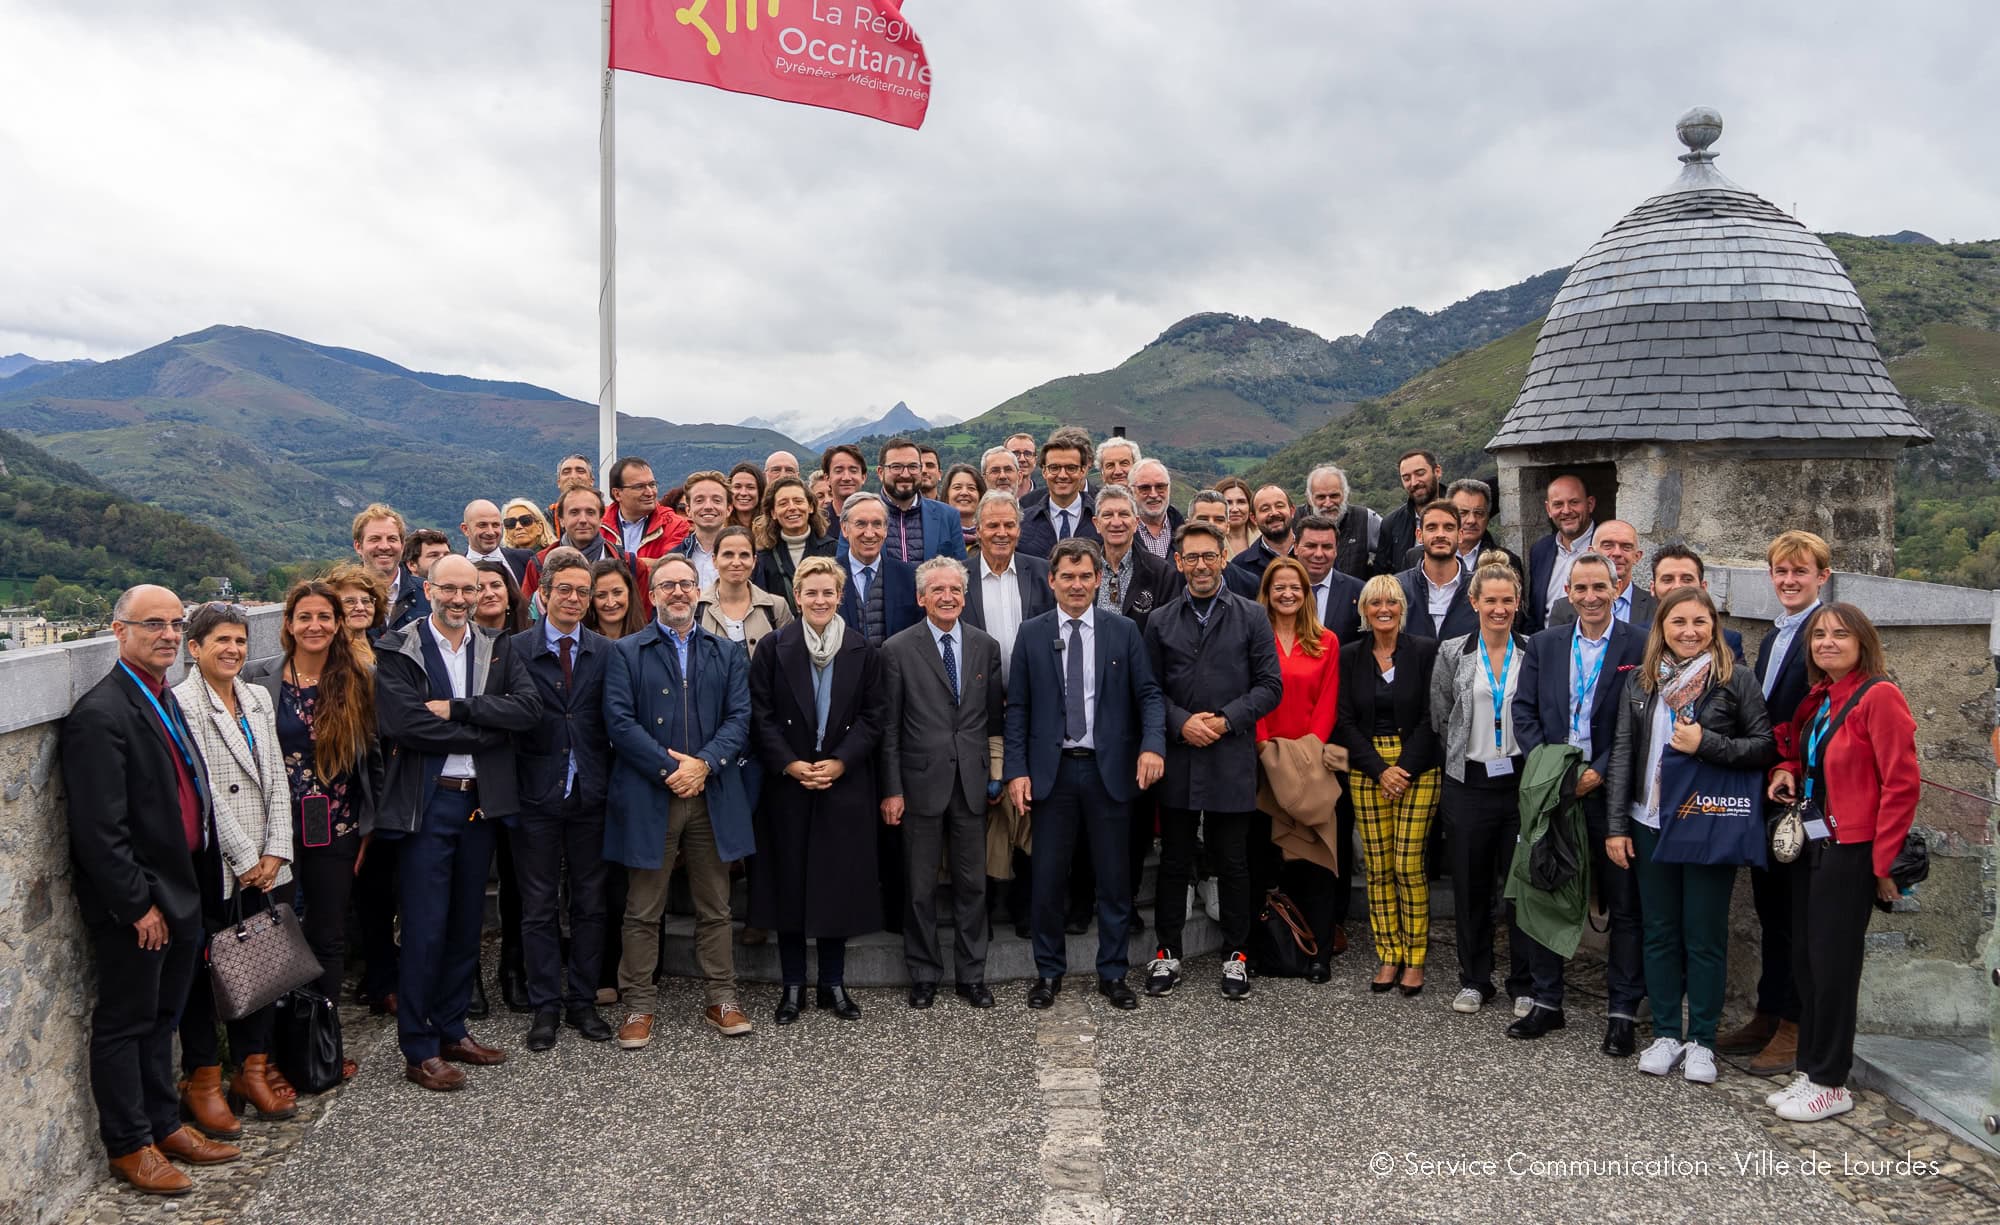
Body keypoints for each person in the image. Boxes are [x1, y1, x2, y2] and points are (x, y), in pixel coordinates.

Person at [65, 584, 242, 1193]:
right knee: (126, 1022)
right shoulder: (101, 714)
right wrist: (137, 904)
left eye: (175, 623)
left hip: (183, 889)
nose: (168, 634)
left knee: (162, 1018)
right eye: (153, 625)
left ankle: (165, 1123)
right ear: (119, 632)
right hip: (141, 903)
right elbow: (99, 829)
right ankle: (128, 1145)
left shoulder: (162, 698)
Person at [373, 555, 542, 1091]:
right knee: (425, 928)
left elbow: (528, 711)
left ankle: (452, 1028)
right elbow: (406, 723)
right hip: (429, 803)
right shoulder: (399, 648)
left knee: (467, 923)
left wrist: (463, 710)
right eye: (449, 589)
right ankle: (418, 1047)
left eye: (469, 590)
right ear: (428, 588)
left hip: (480, 804)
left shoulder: (498, 646)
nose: (459, 599)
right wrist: (488, 731)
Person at [1605, 586, 1775, 1085]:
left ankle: (1701, 1038)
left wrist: (1708, 743)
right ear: (1662, 627)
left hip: (1705, 820)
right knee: (1659, 931)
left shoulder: (1734, 679)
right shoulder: (1641, 682)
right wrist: (1616, 826)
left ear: (1713, 626)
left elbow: (1764, 747)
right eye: (1678, 622)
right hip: (1649, 819)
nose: (1689, 632)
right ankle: (1664, 1032)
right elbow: (1621, 754)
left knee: (1703, 935)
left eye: (1699, 622)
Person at [1765, 603, 1917, 1122]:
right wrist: (1787, 768)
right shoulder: (1822, 697)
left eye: (1839, 634)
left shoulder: (1880, 697)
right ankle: (1812, 1067)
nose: (1827, 642)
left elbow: (1902, 784)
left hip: (1851, 851)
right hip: (1814, 842)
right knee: (1806, 959)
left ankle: (1832, 1081)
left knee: (1833, 967)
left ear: (1862, 642)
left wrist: (1883, 863)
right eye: (1819, 635)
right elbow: (1809, 755)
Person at [1006, 539, 1167, 1011]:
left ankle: (1113, 973)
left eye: (1085, 576)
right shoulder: (1031, 633)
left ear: (1099, 580)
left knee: (1114, 881)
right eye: (1067, 577)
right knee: (1048, 880)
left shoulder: (1123, 632)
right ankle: (1048, 973)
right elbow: (1018, 708)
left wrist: (1153, 745)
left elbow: (1150, 696)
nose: (1076, 585)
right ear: (1052, 580)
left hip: (1109, 774)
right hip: (1051, 776)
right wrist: (1016, 770)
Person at [605, 555, 757, 1045]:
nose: (678, 592)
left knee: (715, 903)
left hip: (711, 793)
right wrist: (672, 769)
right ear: (652, 595)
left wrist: (704, 764)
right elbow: (619, 722)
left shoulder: (727, 652)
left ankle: (722, 998)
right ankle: (638, 1005)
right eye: (667, 585)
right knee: (643, 907)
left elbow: (740, 718)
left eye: (687, 584)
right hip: (653, 793)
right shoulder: (626, 652)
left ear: (700, 592)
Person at [1509, 551, 1647, 1051]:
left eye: (1600, 588)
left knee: (1624, 905)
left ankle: (1622, 1011)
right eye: (1581, 588)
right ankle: (1547, 1003)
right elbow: (1523, 712)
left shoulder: (1640, 644)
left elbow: (1641, 719)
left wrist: (1599, 771)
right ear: (1568, 593)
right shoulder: (1545, 644)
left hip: (1611, 794)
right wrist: (1551, 770)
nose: (1590, 597)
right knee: (1546, 891)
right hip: (1554, 790)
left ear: (1617, 589)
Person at [1142, 521, 1284, 999]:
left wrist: (1223, 721)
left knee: (1233, 861)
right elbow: (1149, 690)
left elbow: (1270, 686)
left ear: (1223, 557)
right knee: (1175, 860)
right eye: (1190, 558)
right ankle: (1167, 951)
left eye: (1208, 556)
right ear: (1178, 562)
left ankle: (1237, 954)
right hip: (1180, 756)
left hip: (1230, 755)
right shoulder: (1160, 620)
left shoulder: (1251, 616)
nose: (1200, 566)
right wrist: (1181, 722)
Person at [244, 581, 378, 1081]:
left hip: (338, 826)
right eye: (305, 617)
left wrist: (369, 825)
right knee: (272, 937)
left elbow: (375, 758)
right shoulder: (260, 679)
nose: (315, 626)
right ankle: (268, 1057)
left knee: (328, 937)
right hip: (274, 830)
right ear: (289, 624)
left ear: (339, 624)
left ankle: (321, 1046)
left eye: (325, 616)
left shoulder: (360, 679)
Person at [172, 603, 296, 1137]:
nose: (233, 651)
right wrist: (246, 859)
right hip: (222, 864)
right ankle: (202, 1078)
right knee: (211, 971)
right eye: (221, 640)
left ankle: (253, 1067)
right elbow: (204, 794)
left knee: (263, 968)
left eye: (241, 642)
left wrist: (277, 850)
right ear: (193, 648)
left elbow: (277, 779)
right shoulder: (183, 703)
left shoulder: (256, 696)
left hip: (268, 857)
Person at [743, 557, 881, 1023]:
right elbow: (758, 714)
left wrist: (841, 762)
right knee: (789, 886)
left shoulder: (863, 649)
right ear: (797, 597)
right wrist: (790, 763)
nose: (820, 600)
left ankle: (833, 984)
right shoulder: (772, 647)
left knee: (835, 886)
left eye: (828, 593)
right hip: (789, 783)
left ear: (840, 597)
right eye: (812, 593)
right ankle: (793, 986)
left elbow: (873, 717)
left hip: (842, 782)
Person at [1723, 529, 1835, 1076]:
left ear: (1822, 577)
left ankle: (1795, 1026)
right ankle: (1768, 1013)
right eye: (1781, 572)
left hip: (1806, 794)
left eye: (1800, 572)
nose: (1789, 581)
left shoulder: (1825, 633)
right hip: (1771, 791)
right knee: (1771, 910)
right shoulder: (1772, 637)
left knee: (1796, 915)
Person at [879, 557, 1005, 1008]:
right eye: (938, 590)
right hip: (918, 785)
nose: (947, 597)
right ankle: (925, 974)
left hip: (971, 782)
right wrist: (891, 789)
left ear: (964, 596)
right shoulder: (896, 650)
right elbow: (889, 729)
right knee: (920, 887)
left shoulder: (985, 646)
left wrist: (995, 774)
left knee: (973, 885)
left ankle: (972, 975)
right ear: (921, 597)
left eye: (955, 589)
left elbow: (992, 719)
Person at [507, 547, 615, 1051]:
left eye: (583, 592)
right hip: (536, 794)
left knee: (592, 903)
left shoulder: (605, 651)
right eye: (565, 590)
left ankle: (583, 1001)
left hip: (592, 792)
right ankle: (545, 1005)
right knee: (538, 906)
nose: (574, 599)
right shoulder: (515, 650)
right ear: (543, 594)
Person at [1429, 557, 1535, 1017]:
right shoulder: (1453, 652)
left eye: (1507, 600)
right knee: (1471, 887)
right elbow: (1441, 712)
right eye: (1490, 600)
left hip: (1518, 784)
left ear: (1518, 604)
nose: (1499, 609)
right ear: (1473, 602)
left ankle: (1524, 982)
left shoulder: (1534, 651)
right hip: (1468, 784)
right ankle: (1475, 978)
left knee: (1520, 889)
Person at [1336, 575, 1443, 996]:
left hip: (1417, 766)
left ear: (1403, 607)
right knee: (1378, 867)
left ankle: (1415, 958)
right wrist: (1380, 769)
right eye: (1375, 602)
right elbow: (1343, 720)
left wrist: (1403, 769)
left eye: (1392, 602)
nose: (1384, 608)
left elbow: (1433, 716)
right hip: (1368, 768)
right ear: (1363, 610)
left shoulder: (1426, 652)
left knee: (1407, 863)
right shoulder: (1349, 656)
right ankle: (1389, 953)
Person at [960, 490, 1054, 936]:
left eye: (1009, 525)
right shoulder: (957, 578)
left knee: (1029, 803)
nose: (1001, 533)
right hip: (974, 713)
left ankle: (1026, 905)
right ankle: (988, 903)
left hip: (1034, 709)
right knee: (985, 806)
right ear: (977, 530)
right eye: (992, 525)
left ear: (1020, 528)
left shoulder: (1040, 573)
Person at [1250, 556, 1344, 980]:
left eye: (1296, 587)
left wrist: (1306, 752)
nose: (1287, 593)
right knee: (1265, 857)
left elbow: (1327, 702)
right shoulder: (1254, 638)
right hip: (1263, 758)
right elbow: (1254, 693)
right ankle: (1271, 950)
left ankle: (1319, 952)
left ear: (1307, 594)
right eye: (1279, 587)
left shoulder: (1327, 641)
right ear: (1267, 593)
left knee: (1314, 860)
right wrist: (1267, 747)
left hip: (1310, 762)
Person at [1094, 484, 1184, 633]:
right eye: (1108, 515)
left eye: (1123, 514)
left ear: (1136, 523)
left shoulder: (1161, 572)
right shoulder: (1082, 569)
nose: (1116, 523)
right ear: (1097, 524)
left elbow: (1169, 631)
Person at [835, 492, 920, 646]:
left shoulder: (910, 577)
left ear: (886, 529)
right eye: (860, 524)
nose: (869, 533)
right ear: (844, 529)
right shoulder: (829, 576)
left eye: (877, 524)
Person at [605, 456, 692, 597]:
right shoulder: (599, 524)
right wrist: (647, 564)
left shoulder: (674, 524)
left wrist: (616, 565)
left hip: (653, 608)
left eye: (652, 484)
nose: (650, 492)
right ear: (617, 493)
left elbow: (669, 571)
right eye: (639, 487)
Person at [698, 524, 793, 653]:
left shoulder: (776, 607)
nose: (736, 563)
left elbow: (788, 657)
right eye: (728, 555)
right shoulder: (697, 608)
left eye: (744, 555)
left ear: (754, 561)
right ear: (714, 560)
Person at [752, 475, 838, 614]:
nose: (792, 508)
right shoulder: (763, 558)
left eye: (798, 501)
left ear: (810, 507)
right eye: (783, 503)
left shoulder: (833, 549)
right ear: (773, 513)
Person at [874, 437, 967, 565]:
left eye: (913, 467)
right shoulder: (859, 514)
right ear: (880, 472)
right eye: (896, 467)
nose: (905, 474)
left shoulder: (948, 516)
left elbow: (962, 573)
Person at [1524, 474, 1598, 634]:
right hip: (1549, 649)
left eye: (1574, 502)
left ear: (1590, 504)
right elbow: (1535, 614)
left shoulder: (1607, 545)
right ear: (1548, 510)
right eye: (1558, 504)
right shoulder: (1539, 551)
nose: (1566, 510)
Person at [1548, 520, 1655, 628]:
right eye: (1608, 545)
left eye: (1626, 547)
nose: (1617, 553)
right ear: (1591, 552)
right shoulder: (1563, 608)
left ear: (1637, 556)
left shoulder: (1655, 606)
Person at [1649, 543, 1745, 661]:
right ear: (1653, 588)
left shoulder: (1729, 642)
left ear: (1703, 588)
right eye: (1667, 580)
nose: (1678, 586)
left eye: (1687, 579)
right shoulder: (1637, 640)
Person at [1397, 501, 1476, 641]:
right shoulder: (1397, 588)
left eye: (1448, 528)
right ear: (1419, 535)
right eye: (1432, 528)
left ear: (1460, 535)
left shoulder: (1480, 589)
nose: (1440, 534)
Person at [1017, 427, 1099, 559]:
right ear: (1044, 471)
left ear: (1083, 471)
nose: (1062, 475)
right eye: (1054, 468)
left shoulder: (1102, 519)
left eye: (1071, 468)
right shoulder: (1022, 522)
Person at [525, 486, 621, 599]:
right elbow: (528, 612)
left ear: (601, 519)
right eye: (574, 513)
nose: (583, 520)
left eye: (590, 512)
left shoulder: (625, 562)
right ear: (561, 520)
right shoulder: (539, 564)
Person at [352, 504, 426, 635]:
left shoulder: (428, 595)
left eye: (392, 539)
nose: (384, 546)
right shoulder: (340, 597)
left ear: (402, 546)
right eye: (375, 539)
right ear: (358, 546)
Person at [1291, 514, 1365, 643]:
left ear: (1336, 550)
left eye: (1327, 547)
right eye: (1311, 546)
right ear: (1296, 548)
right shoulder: (1277, 592)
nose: (1319, 554)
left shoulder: (1358, 592)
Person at [1372, 449, 1444, 576]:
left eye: (1420, 473)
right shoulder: (1391, 524)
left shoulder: (1462, 512)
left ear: (1437, 471)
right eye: (1406, 478)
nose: (1414, 482)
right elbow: (1381, 575)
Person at [1303, 464, 1377, 578]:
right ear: (1310, 498)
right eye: (1321, 497)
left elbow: (1389, 559)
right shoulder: (1295, 521)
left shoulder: (1366, 519)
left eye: (1334, 496)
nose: (1328, 504)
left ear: (1345, 494)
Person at [1222, 485, 1295, 598]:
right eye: (1265, 509)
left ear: (1292, 511)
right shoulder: (1240, 566)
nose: (1274, 513)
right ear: (1254, 518)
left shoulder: (1314, 555)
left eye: (1279, 506)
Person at [670, 470, 733, 592]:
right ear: (688, 510)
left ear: (729, 509)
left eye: (717, 500)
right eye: (699, 500)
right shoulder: (674, 557)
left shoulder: (746, 557)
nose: (708, 506)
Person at [323, 562, 387, 666]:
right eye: (350, 601)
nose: (360, 608)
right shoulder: (324, 653)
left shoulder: (386, 650)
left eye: (366, 601)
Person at [462, 499, 535, 585]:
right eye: (482, 525)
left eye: (495, 525)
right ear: (465, 529)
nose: (491, 532)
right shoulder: (457, 568)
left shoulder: (525, 559)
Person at [1130, 459, 1182, 560]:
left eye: (1160, 487)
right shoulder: (1121, 533)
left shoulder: (1184, 533)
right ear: (1132, 491)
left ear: (1169, 488)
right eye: (1145, 488)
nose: (1153, 494)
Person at [585, 558, 647, 640]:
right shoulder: (582, 641)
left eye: (617, 593)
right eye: (601, 595)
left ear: (629, 592)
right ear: (591, 599)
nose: (611, 603)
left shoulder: (649, 640)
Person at [472, 559, 531, 633]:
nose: (489, 594)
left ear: (508, 590)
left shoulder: (532, 632)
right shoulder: (457, 635)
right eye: (479, 588)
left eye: (496, 585)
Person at [820, 444, 870, 529]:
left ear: (863, 477)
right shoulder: (817, 524)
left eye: (853, 471)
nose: (846, 478)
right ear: (827, 478)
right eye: (839, 471)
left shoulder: (880, 519)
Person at [942, 462, 986, 553]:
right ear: (947, 495)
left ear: (980, 496)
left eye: (971, 488)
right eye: (957, 487)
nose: (964, 493)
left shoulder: (991, 536)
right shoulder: (936, 535)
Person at [549, 452, 596, 526]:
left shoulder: (609, 519)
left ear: (591, 481)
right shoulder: (547, 520)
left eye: (580, 471)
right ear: (559, 482)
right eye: (566, 472)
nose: (573, 476)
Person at [1213, 476, 1254, 560]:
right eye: (1228, 503)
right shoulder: (1208, 539)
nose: (1235, 509)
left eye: (1241, 502)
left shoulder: (1265, 538)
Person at [728, 462, 766, 532]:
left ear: (760, 491)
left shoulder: (771, 529)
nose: (743, 493)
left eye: (750, 487)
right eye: (737, 487)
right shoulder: (719, 527)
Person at [1006, 431, 1041, 500]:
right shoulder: (989, 502)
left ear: (1035, 460)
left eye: (1028, 454)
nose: (1022, 459)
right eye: (1016, 454)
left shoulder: (1046, 501)